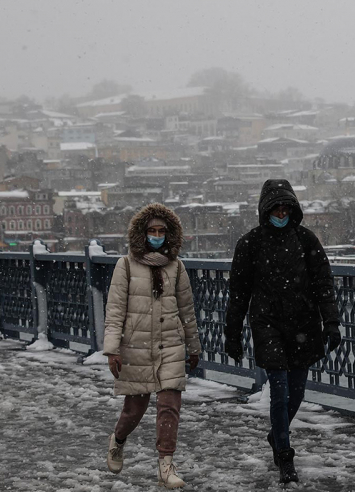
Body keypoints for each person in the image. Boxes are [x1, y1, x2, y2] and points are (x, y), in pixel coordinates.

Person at [224, 179, 342, 483]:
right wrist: (232, 334)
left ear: (293, 208)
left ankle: (276, 434)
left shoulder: (306, 241)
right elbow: (238, 293)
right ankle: (285, 456)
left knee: (297, 392)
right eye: (275, 207)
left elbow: (323, 284)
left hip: (303, 324)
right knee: (279, 389)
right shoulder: (250, 244)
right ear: (265, 210)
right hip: (267, 324)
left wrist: (331, 322)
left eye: (285, 207)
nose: (280, 212)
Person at [102, 203, 201, 489]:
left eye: (161, 231)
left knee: (169, 406)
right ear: (142, 234)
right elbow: (115, 310)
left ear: (169, 235)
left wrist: (193, 346)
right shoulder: (126, 265)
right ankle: (118, 439)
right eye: (152, 231)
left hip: (170, 344)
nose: (156, 235)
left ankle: (165, 466)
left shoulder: (177, 266)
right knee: (135, 408)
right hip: (136, 345)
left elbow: (187, 310)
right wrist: (113, 350)